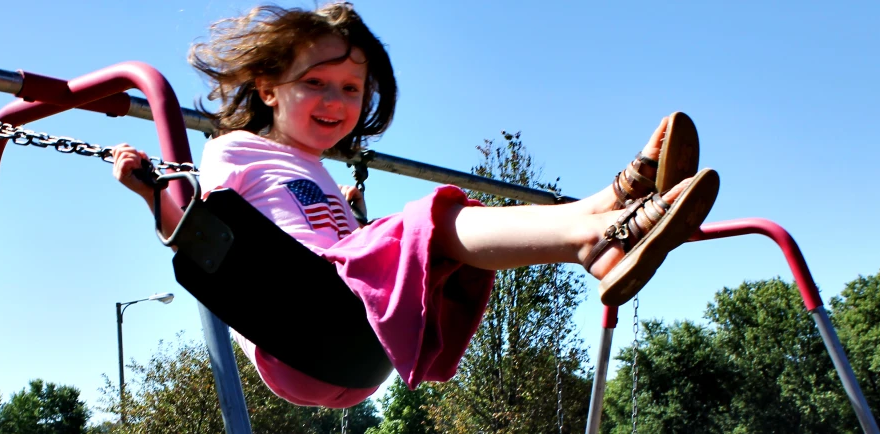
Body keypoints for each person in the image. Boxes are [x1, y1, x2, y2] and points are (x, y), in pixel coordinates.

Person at [110, 2, 720, 408]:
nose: (335, 100)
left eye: (351, 88)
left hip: (356, 347)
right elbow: (202, 233)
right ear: (268, 89)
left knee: (451, 238)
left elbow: (334, 244)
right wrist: (150, 193)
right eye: (315, 82)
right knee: (436, 220)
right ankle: (603, 231)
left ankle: (610, 210)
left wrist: (352, 218)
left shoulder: (316, 171)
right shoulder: (234, 150)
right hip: (299, 330)